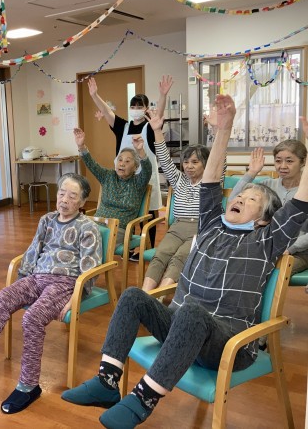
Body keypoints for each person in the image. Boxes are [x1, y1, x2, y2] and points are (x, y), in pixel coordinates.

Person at [61, 96, 308, 428]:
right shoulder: (211, 224)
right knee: (133, 296)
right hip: (179, 327)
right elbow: (211, 180)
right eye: (239, 194)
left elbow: (301, 203)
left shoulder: (267, 239)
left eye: (251, 199)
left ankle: (143, 400)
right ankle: (107, 382)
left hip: (228, 344)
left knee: (192, 312)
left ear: (265, 219)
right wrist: (224, 129)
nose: (239, 197)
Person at [0, 173, 102, 414]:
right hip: (36, 277)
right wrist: (21, 284)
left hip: (64, 283)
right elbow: (33, 251)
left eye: (72, 196)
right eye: (61, 193)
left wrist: (75, 297)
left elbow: (91, 267)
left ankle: (29, 385)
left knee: (32, 318)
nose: (64, 200)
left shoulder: (88, 227)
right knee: (3, 297)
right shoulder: (47, 220)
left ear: (82, 201)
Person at [88, 75, 173, 253]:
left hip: (144, 177)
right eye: (133, 106)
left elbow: (158, 116)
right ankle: (127, 247)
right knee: (128, 213)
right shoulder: (123, 127)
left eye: (139, 107)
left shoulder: (150, 127)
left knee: (148, 215)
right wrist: (95, 95)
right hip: (123, 180)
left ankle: (145, 249)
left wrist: (163, 95)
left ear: (146, 108)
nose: (135, 110)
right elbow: (106, 112)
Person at [142, 109, 220, 291]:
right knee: (160, 255)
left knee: (179, 258)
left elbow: (219, 158)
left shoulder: (211, 181)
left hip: (200, 229)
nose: (189, 166)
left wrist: (217, 130)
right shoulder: (179, 179)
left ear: (206, 164)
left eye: (195, 162)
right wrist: (157, 131)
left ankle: (159, 297)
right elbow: (164, 158)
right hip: (177, 227)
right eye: (186, 162)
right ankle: (145, 295)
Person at [230, 137, 308, 275]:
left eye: (289, 161)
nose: (282, 166)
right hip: (264, 246)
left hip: (297, 252)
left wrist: (291, 248)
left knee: (265, 269)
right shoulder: (267, 185)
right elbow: (233, 201)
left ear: (303, 162)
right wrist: (252, 172)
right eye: (278, 161)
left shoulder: (305, 191)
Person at [74, 127, 151, 246]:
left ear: (135, 167)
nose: (122, 164)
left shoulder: (138, 182)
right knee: (74, 234)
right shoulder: (108, 176)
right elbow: (92, 165)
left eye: (127, 161)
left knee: (91, 242)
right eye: (120, 160)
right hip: (96, 224)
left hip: (118, 230)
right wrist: (81, 146)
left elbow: (147, 170)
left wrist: (140, 151)